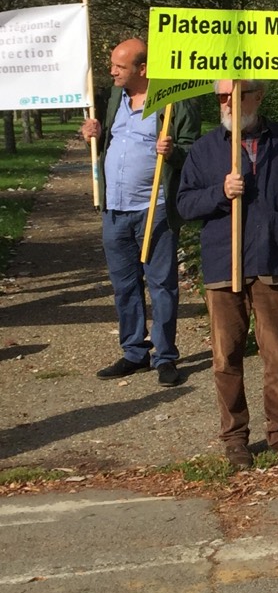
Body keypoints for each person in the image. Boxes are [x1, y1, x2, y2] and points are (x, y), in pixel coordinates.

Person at [176, 80, 278, 469]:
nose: (227, 102)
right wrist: (221, 191)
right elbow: (185, 203)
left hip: (273, 260)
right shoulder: (205, 149)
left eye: (236, 95)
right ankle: (235, 437)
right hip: (225, 264)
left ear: (258, 97)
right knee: (226, 357)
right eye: (222, 96)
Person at [79, 38, 200, 387]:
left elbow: (194, 152)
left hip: (154, 209)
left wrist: (174, 150)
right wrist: (95, 132)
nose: (112, 71)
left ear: (143, 69)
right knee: (124, 285)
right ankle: (134, 352)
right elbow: (114, 140)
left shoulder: (176, 100)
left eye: (119, 66)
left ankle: (165, 356)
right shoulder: (116, 97)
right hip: (114, 209)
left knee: (162, 284)